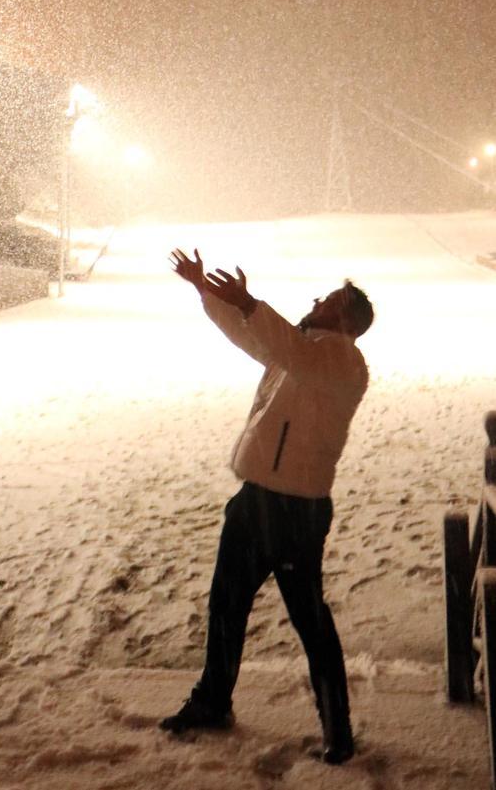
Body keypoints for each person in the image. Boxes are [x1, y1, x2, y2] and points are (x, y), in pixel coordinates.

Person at [160, 248, 373, 765]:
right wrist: (207, 292)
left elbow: (279, 341)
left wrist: (251, 302)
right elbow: (252, 337)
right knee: (226, 605)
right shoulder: (300, 350)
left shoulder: (342, 362)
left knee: (311, 622)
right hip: (255, 500)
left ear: (346, 321)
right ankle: (212, 702)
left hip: (296, 512)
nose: (317, 301)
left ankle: (338, 728)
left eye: (329, 300)